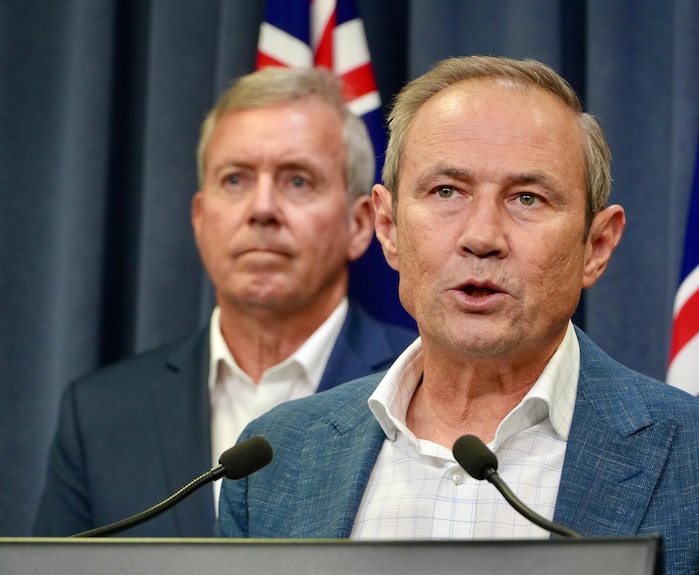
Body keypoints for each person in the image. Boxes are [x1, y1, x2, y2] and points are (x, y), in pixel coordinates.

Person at [216, 56, 699, 573]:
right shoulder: (274, 461)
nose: (481, 236)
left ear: (596, 246)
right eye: (447, 191)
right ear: (389, 228)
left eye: (527, 198)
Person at [32, 67, 417, 537]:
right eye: (235, 180)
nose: (262, 209)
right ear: (200, 218)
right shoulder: (100, 414)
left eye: (298, 181)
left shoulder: (423, 386)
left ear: (358, 225)